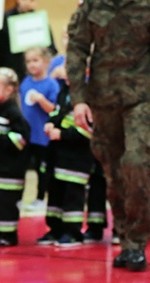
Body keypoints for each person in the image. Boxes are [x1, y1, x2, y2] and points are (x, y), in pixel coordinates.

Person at [67, 0, 150, 272]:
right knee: (112, 169)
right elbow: (76, 49)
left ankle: (136, 241)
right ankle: (124, 235)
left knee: (136, 162)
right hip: (102, 99)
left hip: (140, 98)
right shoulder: (92, 4)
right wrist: (78, 100)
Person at [36, 62, 94, 247]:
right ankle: (55, 229)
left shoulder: (89, 97)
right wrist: (51, 123)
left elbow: (89, 132)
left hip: (76, 159)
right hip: (57, 156)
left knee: (72, 197)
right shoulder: (64, 92)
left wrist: (62, 134)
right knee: (55, 194)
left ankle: (73, 233)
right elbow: (58, 113)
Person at [0, 67, 31, 247]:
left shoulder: (13, 112)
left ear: (9, 90)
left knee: (6, 204)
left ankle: (9, 236)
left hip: (9, 172)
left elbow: (22, 139)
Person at [19, 46, 58, 211]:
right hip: (27, 134)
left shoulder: (51, 84)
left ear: (46, 62)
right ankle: (20, 198)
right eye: (28, 61)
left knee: (42, 169)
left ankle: (41, 198)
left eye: (35, 60)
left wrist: (41, 100)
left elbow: (54, 109)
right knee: (23, 167)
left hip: (43, 136)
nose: (31, 65)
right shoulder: (26, 82)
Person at [0, 0, 57, 83]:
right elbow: (0, 48)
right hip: (13, 71)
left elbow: (50, 48)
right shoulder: (6, 18)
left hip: (37, 75)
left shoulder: (39, 18)